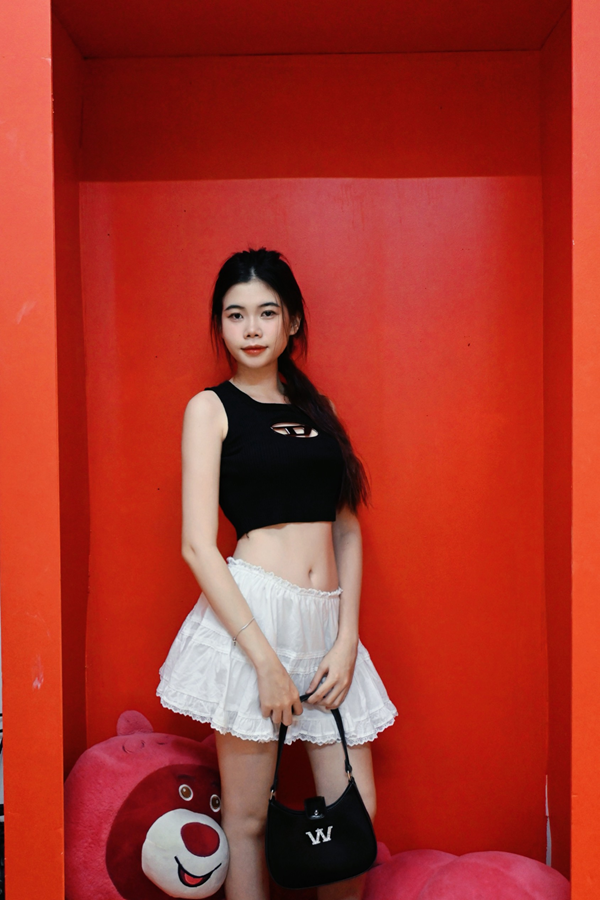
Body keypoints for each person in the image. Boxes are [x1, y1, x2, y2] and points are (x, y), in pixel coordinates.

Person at [157, 248, 397, 900]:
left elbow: (346, 529)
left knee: (355, 816)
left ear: (292, 321)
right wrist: (263, 661)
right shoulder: (210, 409)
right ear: (220, 324)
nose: (252, 328)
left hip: (326, 625)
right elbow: (197, 546)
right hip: (252, 621)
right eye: (235, 315)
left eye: (267, 312)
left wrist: (347, 638)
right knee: (248, 821)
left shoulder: (321, 409)